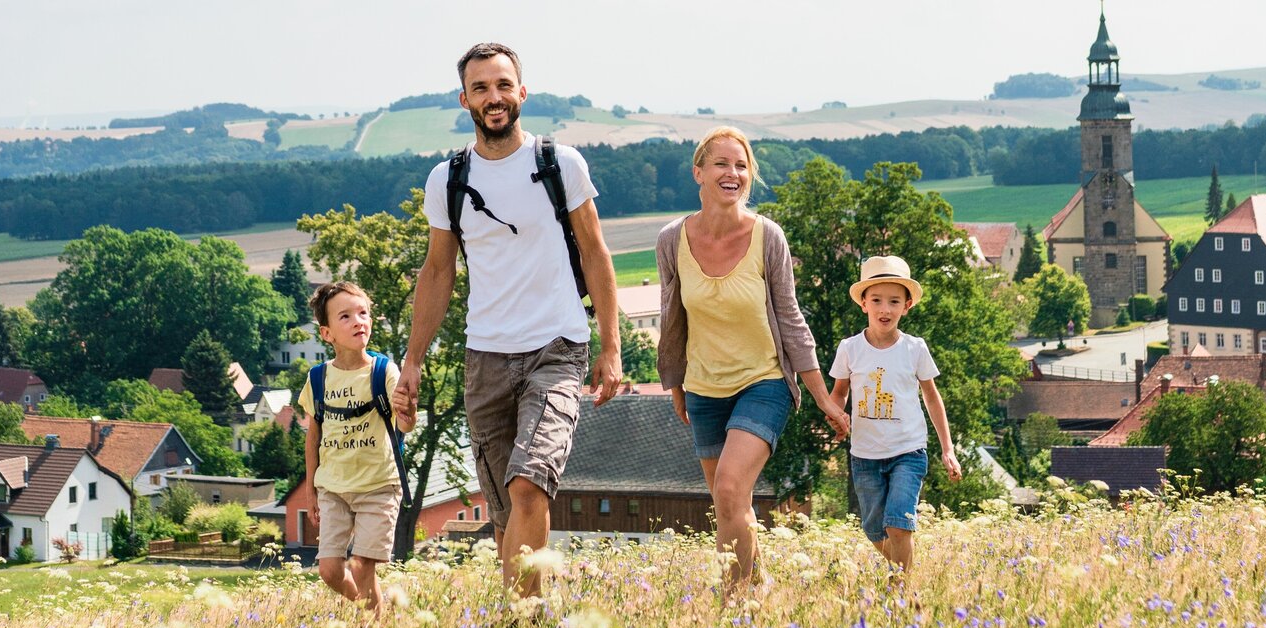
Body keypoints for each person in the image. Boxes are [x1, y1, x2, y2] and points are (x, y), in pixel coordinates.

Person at [397, 42, 622, 599]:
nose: (493, 98)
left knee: (529, 484)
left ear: (522, 92)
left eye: (502, 85)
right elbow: (437, 272)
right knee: (503, 508)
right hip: (485, 357)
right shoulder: (446, 180)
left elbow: (595, 254)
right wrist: (413, 360)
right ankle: (513, 620)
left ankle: (528, 620)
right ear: (464, 100)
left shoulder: (559, 164)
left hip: (557, 346)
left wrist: (610, 345)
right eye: (481, 88)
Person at [655, 127, 850, 595]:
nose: (732, 173)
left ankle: (735, 604)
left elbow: (790, 317)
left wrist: (822, 396)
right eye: (721, 163)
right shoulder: (671, 240)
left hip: (764, 382)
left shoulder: (767, 237)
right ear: (698, 172)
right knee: (727, 503)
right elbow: (672, 318)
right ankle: (756, 586)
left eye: (741, 165)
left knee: (728, 488)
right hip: (704, 389)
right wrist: (677, 384)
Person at [828, 256, 962, 577]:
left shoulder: (915, 349)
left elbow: (932, 396)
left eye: (894, 301)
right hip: (865, 456)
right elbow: (839, 393)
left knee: (899, 524)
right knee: (874, 529)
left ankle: (902, 589)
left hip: (908, 451)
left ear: (907, 306)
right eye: (876, 300)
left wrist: (948, 449)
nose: (885, 309)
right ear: (863, 304)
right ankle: (907, 575)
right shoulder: (850, 348)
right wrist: (835, 418)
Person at [301, 282, 414, 616]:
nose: (358, 321)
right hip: (333, 488)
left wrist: (409, 411)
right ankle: (373, 611)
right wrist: (310, 490)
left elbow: (404, 425)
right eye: (346, 316)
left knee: (363, 565)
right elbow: (313, 436)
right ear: (327, 333)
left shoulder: (384, 372)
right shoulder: (318, 378)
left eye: (363, 313)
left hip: (378, 486)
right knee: (330, 571)